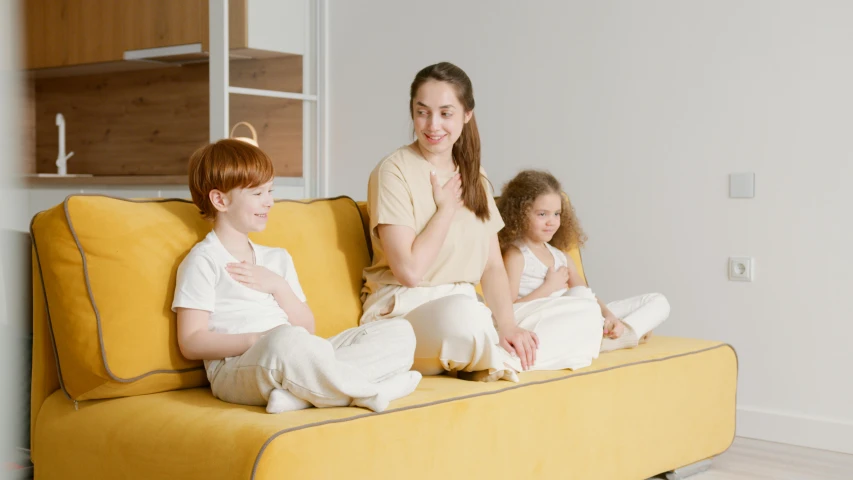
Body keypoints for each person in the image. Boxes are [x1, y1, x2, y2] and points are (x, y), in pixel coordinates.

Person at [172, 139, 421, 413]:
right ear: (220, 200)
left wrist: (278, 285)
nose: (269, 202)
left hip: (297, 352)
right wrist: (258, 339)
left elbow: (308, 330)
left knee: (399, 332)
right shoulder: (203, 260)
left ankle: (298, 398)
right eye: (257, 193)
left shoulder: (277, 258)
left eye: (270, 191)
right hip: (237, 366)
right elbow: (191, 341)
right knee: (287, 342)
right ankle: (373, 390)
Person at [498, 169, 671, 368]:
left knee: (658, 301)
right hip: (545, 321)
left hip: (582, 313)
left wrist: (608, 316)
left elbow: (588, 295)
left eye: (556, 214)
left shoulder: (559, 256)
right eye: (542, 214)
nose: (551, 221)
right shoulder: (517, 255)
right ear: (519, 213)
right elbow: (508, 309)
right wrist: (548, 288)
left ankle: (613, 332)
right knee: (581, 297)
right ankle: (609, 337)